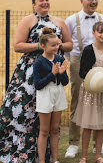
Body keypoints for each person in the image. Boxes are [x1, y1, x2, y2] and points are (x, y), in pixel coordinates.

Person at [0, 0, 72, 163]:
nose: (45, 3)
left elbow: (69, 44)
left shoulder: (59, 22)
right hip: (29, 73)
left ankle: (48, 157)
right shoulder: (28, 20)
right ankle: (20, 152)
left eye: (47, 0)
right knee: (25, 111)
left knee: (47, 115)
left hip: (53, 68)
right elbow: (17, 46)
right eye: (41, 0)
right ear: (34, 4)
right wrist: (41, 47)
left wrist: (58, 45)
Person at [65, 0, 103, 159]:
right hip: (79, 62)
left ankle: (98, 145)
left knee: (100, 102)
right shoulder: (71, 20)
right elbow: (67, 44)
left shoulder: (102, 18)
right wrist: (72, 62)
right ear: (82, 1)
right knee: (79, 101)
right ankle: (73, 143)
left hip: (101, 62)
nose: (93, 2)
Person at [73, 22, 103, 163]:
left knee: (100, 125)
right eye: (100, 32)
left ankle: (98, 156)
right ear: (93, 33)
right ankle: (84, 157)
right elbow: (82, 72)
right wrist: (96, 74)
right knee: (88, 124)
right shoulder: (88, 50)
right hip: (90, 91)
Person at [34, 27, 69, 163]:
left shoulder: (60, 58)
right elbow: (38, 84)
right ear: (43, 46)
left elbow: (65, 82)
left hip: (58, 93)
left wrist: (61, 73)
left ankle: (55, 160)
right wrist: (52, 74)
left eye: (57, 45)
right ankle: (42, 161)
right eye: (53, 45)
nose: (56, 47)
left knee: (55, 129)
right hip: (45, 95)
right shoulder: (39, 62)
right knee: (44, 130)